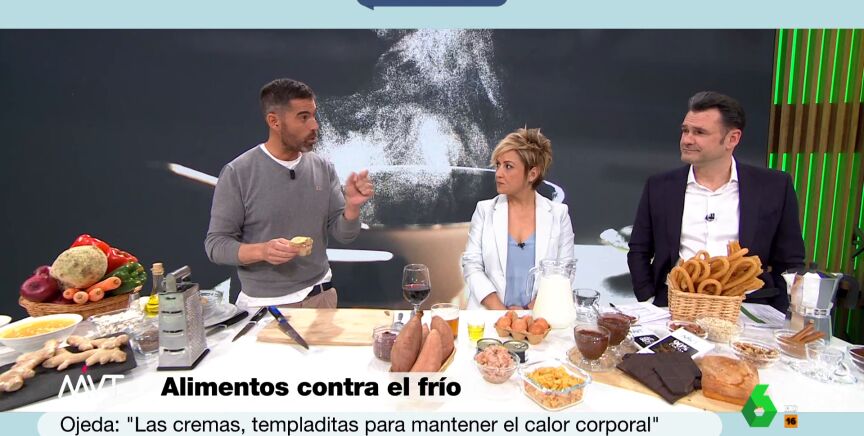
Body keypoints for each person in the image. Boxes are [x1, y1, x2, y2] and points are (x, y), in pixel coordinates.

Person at [627, 91, 805, 312]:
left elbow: (790, 260)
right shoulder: (660, 186)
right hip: (672, 305)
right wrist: (648, 300)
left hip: (747, 308)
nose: (687, 140)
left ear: (732, 139)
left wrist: (779, 311)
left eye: (699, 132)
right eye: (685, 130)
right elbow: (639, 250)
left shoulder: (774, 187)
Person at [205, 78, 373, 309]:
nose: (314, 125)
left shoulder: (323, 168)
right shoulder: (238, 173)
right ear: (274, 121)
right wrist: (262, 251)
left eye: (313, 115)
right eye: (303, 117)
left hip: (320, 298)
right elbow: (216, 246)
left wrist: (352, 207)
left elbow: (344, 235)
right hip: (264, 306)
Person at [462, 128, 575, 310]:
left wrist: (528, 313)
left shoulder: (558, 215)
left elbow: (564, 273)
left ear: (532, 174)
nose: (498, 173)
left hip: (539, 317)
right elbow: (472, 266)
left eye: (508, 166)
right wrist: (502, 313)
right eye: (498, 165)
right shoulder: (484, 211)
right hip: (488, 317)